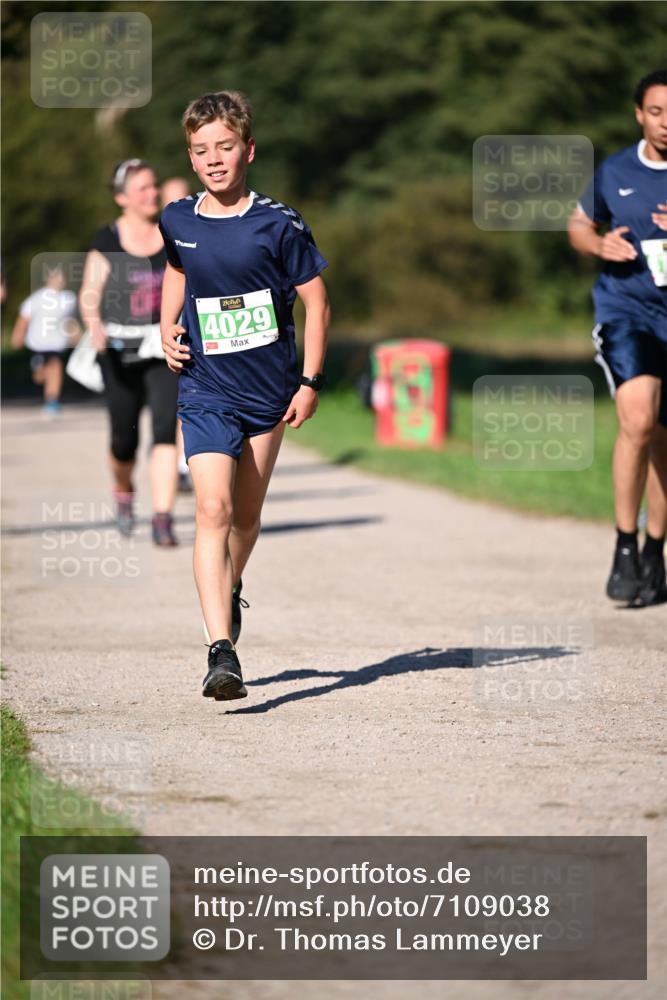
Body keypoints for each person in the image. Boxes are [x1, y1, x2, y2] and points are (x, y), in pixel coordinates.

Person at [159, 90, 330, 701]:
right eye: (201, 150)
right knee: (213, 510)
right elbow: (177, 269)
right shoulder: (178, 218)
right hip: (205, 388)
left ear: (248, 151)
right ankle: (220, 650)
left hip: (269, 393)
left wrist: (309, 382)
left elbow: (316, 302)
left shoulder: (279, 223)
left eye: (225, 148)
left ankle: (230, 590)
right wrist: (165, 326)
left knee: (247, 517)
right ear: (190, 155)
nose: (213, 159)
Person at [568, 68, 667, 606]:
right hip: (628, 312)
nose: (666, 123)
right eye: (656, 112)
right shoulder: (616, 170)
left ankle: (655, 548)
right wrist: (597, 244)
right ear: (639, 114)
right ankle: (625, 545)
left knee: (665, 443)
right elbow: (579, 224)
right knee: (638, 420)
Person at [79, 159, 180, 546]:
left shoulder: (173, 233)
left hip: (164, 345)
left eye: (154, 186)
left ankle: (163, 517)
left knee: (165, 429)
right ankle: (123, 492)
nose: (152, 193)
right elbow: (90, 292)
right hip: (118, 350)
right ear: (122, 198)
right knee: (124, 439)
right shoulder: (106, 239)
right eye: (142, 188)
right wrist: (94, 324)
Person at [160, 177, 194, 494]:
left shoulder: (201, 234)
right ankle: (164, 453)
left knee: (187, 403)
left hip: (193, 339)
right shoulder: (157, 239)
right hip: (155, 341)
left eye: (182, 199)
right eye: (170, 200)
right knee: (164, 409)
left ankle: (184, 463)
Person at [11, 264, 78, 416]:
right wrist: (18, 335)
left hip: (57, 342)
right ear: (49, 279)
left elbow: (69, 321)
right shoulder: (38, 298)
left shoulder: (68, 299)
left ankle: (52, 401)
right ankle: (37, 367)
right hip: (38, 341)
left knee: (55, 367)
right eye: (56, 277)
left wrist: (75, 336)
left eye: (62, 277)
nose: (59, 281)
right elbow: (24, 318)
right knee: (40, 376)